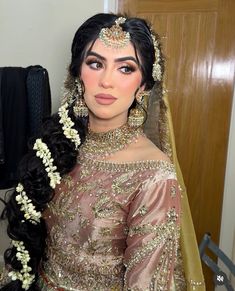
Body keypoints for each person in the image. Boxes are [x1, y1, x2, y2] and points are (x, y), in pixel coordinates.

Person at [0, 13, 205, 291]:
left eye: (125, 68)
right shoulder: (60, 143)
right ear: (77, 73)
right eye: (95, 64)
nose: (106, 81)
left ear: (143, 85)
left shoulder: (154, 176)